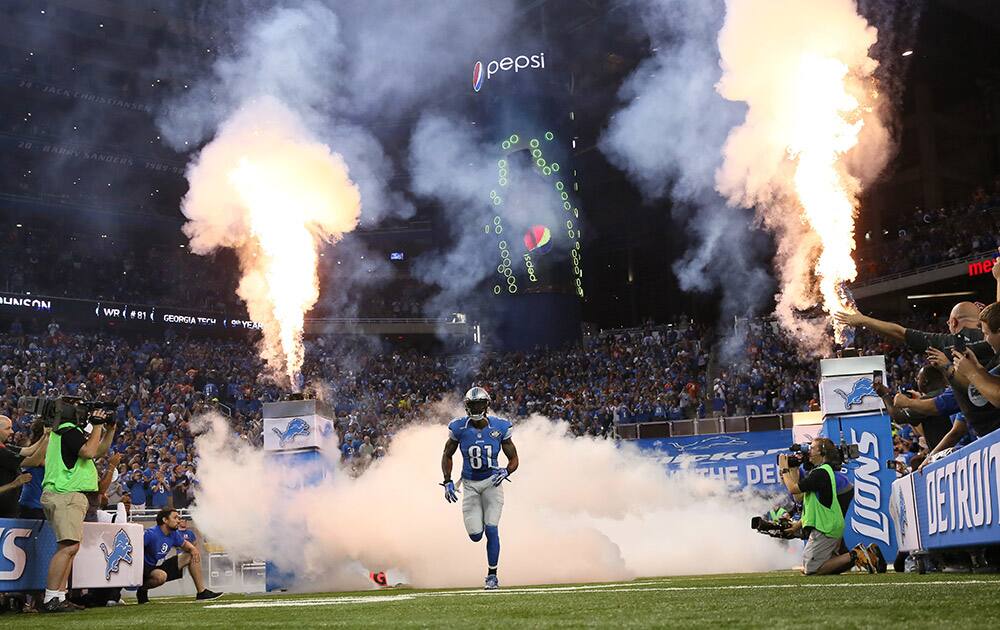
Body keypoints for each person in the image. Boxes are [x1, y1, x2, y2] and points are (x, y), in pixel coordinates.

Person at [441, 387, 519, 590]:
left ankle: (492, 576)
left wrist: (507, 471)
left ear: (486, 405)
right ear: (467, 407)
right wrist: (448, 480)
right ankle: (482, 522)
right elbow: (447, 454)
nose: (476, 408)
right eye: (472, 405)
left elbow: (514, 458)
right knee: (476, 535)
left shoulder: (499, 427)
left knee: (492, 529)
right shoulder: (459, 428)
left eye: (479, 404)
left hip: (492, 482)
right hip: (470, 485)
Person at [39, 410, 116, 613]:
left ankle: (59, 596)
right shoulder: (67, 430)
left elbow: (97, 451)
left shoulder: (65, 432)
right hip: (65, 493)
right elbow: (89, 452)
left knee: (71, 548)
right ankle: (50, 598)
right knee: (68, 547)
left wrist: (110, 431)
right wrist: (98, 425)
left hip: (68, 494)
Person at [778, 438, 884, 575]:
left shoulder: (820, 473)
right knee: (818, 565)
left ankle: (859, 555)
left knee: (811, 569)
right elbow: (804, 503)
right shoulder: (820, 472)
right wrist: (796, 527)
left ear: (822, 452)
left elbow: (793, 489)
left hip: (826, 527)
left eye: (813, 448)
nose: (809, 452)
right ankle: (864, 556)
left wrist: (784, 468)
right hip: (827, 524)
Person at [138, 508, 222, 603]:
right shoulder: (150, 534)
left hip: (155, 567)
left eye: (178, 518)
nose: (178, 520)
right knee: (161, 576)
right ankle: (140, 590)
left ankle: (202, 593)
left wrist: (193, 549)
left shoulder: (173, 533)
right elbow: (134, 550)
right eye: (175, 518)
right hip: (142, 569)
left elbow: (186, 545)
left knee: (192, 554)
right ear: (165, 520)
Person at [0, 415, 48, 518]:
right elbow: (34, 461)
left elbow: (29, 450)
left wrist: (45, 435)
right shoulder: (1, 453)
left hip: (11, 508)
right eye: (7, 428)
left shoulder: (5, 447)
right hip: (4, 511)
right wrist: (14, 484)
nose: (12, 431)